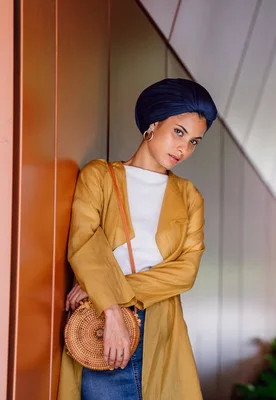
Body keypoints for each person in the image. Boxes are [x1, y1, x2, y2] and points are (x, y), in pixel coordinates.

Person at [58, 78, 218, 400]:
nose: (184, 149)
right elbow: (84, 243)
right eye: (179, 132)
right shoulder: (99, 176)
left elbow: (185, 272)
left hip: (162, 326)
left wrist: (103, 286)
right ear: (154, 123)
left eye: (194, 142)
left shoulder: (189, 197)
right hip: (101, 325)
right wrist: (111, 308)